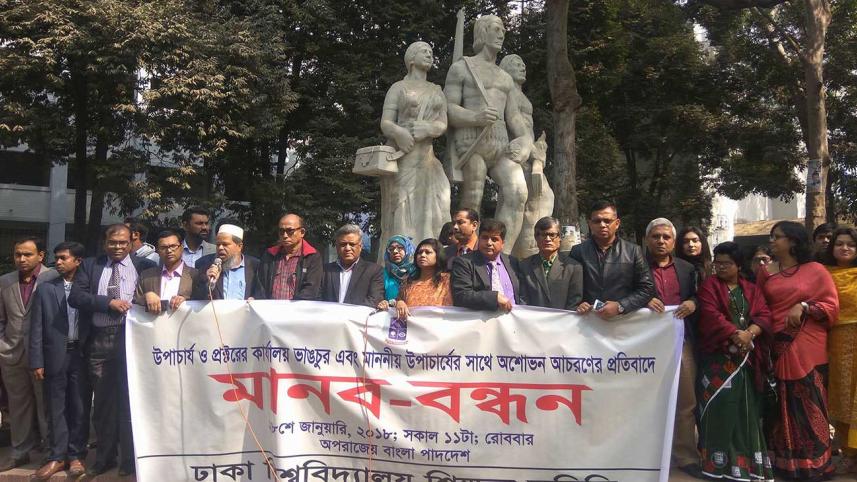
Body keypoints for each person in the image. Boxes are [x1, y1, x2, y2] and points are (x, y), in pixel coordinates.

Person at [68, 224, 157, 476]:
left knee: (131, 402)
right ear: (105, 243)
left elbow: (157, 293)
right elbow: (76, 297)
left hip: (133, 340)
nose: (117, 247)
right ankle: (105, 458)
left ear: (131, 242)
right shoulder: (91, 266)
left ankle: (130, 460)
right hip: (99, 341)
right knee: (104, 404)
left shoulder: (145, 267)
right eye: (112, 242)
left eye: (122, 242)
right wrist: (108, 302)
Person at [756, 220, 839, 480]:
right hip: (777, 344)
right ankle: (786, 463)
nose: (772, 241)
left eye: (777, 236)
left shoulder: (816, 270)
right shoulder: (766, 272)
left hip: (808, 341)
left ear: (792, 241)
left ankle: (815, 463)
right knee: (782, 400)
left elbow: (831, 306)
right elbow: (759, 307)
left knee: (809, 399)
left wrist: (804, 306)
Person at [445, 15, 532, 253]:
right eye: (496, 29)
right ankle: (466, 251)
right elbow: (449, 109)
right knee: (473, 196)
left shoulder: (505, 77)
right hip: (471, 140)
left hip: (501, 142)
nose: (502, 34)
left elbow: (514, 116)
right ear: (482, 33)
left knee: (518, 193)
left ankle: (500, 254)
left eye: (503, 30)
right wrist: (475, 117)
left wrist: (525, 140)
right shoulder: (461, 68)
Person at [696, 241, 774, 481]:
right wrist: (735, 334)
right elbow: (710, 315)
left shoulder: (751, 289)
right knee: (720, 407)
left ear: (739, 265)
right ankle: (716, 465)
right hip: (719, 358)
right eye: (717, 263)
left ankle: (748, 466)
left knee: (745, 409)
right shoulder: (709, 286)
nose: (720, 267)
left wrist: (749, 333)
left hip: (747, 359)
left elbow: (763, 314)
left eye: (726, 263)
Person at [378, 41, 451, 247]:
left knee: (438, 208)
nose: (429, 54)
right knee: (403, 210)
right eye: (423, 51)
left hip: (428, 161)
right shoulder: (398, 88)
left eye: (431, 51)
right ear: (411, 59)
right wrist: (399, 132)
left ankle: (431, 257)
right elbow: (386, 122)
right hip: (404, 159)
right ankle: (401, 260)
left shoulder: (436, 90)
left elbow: (443, 123)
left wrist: (428, 129)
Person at [643, 218, 700, 476]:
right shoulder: (637, 267)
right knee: (645, 400)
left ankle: (686, 456)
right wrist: (643, 301)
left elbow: (702, 295)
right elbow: (623, 295)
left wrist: (693, 303)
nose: (661, 241)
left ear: (673, 242)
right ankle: (647, 453)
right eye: (656, 236)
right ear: (647, 240)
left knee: (686, 401)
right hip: (643, 344)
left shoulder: (688, 269)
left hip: (681, 341)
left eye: (666, 237)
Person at [28, 242, 89, 479]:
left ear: (78, 261)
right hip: (55, 356)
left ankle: (76, 456)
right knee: (56, 408)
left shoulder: (88, 286)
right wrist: (36, 360)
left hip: (82, 355)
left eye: (64, 258)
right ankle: (57, 457)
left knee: (80, 407)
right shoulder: (45, 289)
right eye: (57, 258)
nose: (59, 262)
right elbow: (36, 328)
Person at [0, 236, 52, 472]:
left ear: (41, 255)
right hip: (12, 355)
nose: (21, 259)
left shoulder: (54, 277)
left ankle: (50, 451)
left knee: (46, 405)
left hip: (44, 355)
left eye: (27, 254)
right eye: (18, 254)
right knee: (18, 405)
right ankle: (20, 451)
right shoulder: (5, 281)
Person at [571, 200, 654, 319]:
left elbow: (647, 288)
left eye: (607, 221)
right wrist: (578, 304)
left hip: (624, 321)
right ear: (590, 224)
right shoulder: (577, 252)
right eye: (597, 221)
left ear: (617, 223)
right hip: (588, 321)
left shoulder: (633, 251)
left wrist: (621, 306)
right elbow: (572, 289)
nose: (602, 225)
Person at [822, 227, 857, 474]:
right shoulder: (823, 275)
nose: (845, 248)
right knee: (843, 396)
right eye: (839, 244)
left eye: (850, 244)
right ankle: (849, 452)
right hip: (836, 341)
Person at [451, 219, 521, 312]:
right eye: (485, 237)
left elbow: (521, 294)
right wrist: (494, 298)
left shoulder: (512, 262)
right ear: (479, 238)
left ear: (502, 243)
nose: (489, 243)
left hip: (511, 322)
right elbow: (461, 295)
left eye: (494, 239)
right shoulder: (464, 262)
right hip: (480, 323)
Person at [517, 216, 582, 310]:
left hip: (563, 321)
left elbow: (574, 301)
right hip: (532, 321)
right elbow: (523, 299)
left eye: (552, 235)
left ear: (560, 237)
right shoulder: (524, 265)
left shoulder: (573, 267)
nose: (547, 239)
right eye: (543, 235)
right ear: (536, 238)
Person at [258, 214, 323, 301]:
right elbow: (261, 286)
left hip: (297, 311)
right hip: (270, 310)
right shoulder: (269, 255)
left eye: (290, 231)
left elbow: (310, 291)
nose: (285, 235)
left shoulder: (312, 256)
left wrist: (291, 309)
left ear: (302, 232)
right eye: (281, 231)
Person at [193, 224, 264, 301]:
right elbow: (196, 298)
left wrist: (255, 300)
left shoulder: (255, 265)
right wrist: (209, 283)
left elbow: (262, 295)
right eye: (218, 244)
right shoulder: (205, 264)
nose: (220, 248)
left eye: (225, 244)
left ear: (239, 246)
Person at [320, 224, 384, 308]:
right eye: (343, 244)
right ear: (337, 247)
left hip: (357, 319)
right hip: (328, 319)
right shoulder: (325, 270)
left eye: (352, 244)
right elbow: (316, 297)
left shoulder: (374, 271)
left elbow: (374, 300)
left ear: (360, 247)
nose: (347, 248)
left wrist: (346, 314)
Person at [135, 229, 197, 313]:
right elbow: (135, 302)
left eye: (173, 246)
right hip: (153, 323)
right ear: (158, 251)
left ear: (181, 248)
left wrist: (186, 301)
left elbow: (202, 301)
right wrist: (146, 296)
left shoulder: (195, 275)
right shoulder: (146, 276)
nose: (169, 251)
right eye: (163, 247)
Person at [392, 238, 453, 319]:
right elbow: (398, 301)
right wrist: (399, 303)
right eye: (420, 252)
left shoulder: (447, 280)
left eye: (428, 252)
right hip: (413, 329)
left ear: (438, 256)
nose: (423, 255)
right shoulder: (408, 282)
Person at [378, 235, 416, 311]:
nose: (395, 251)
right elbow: (377, 294)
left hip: (414, 316)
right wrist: (381, 302)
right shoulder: (383, 273)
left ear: (407, 250)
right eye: (391, 249)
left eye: (400, 247)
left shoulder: (416, 271)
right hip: (389, 317)